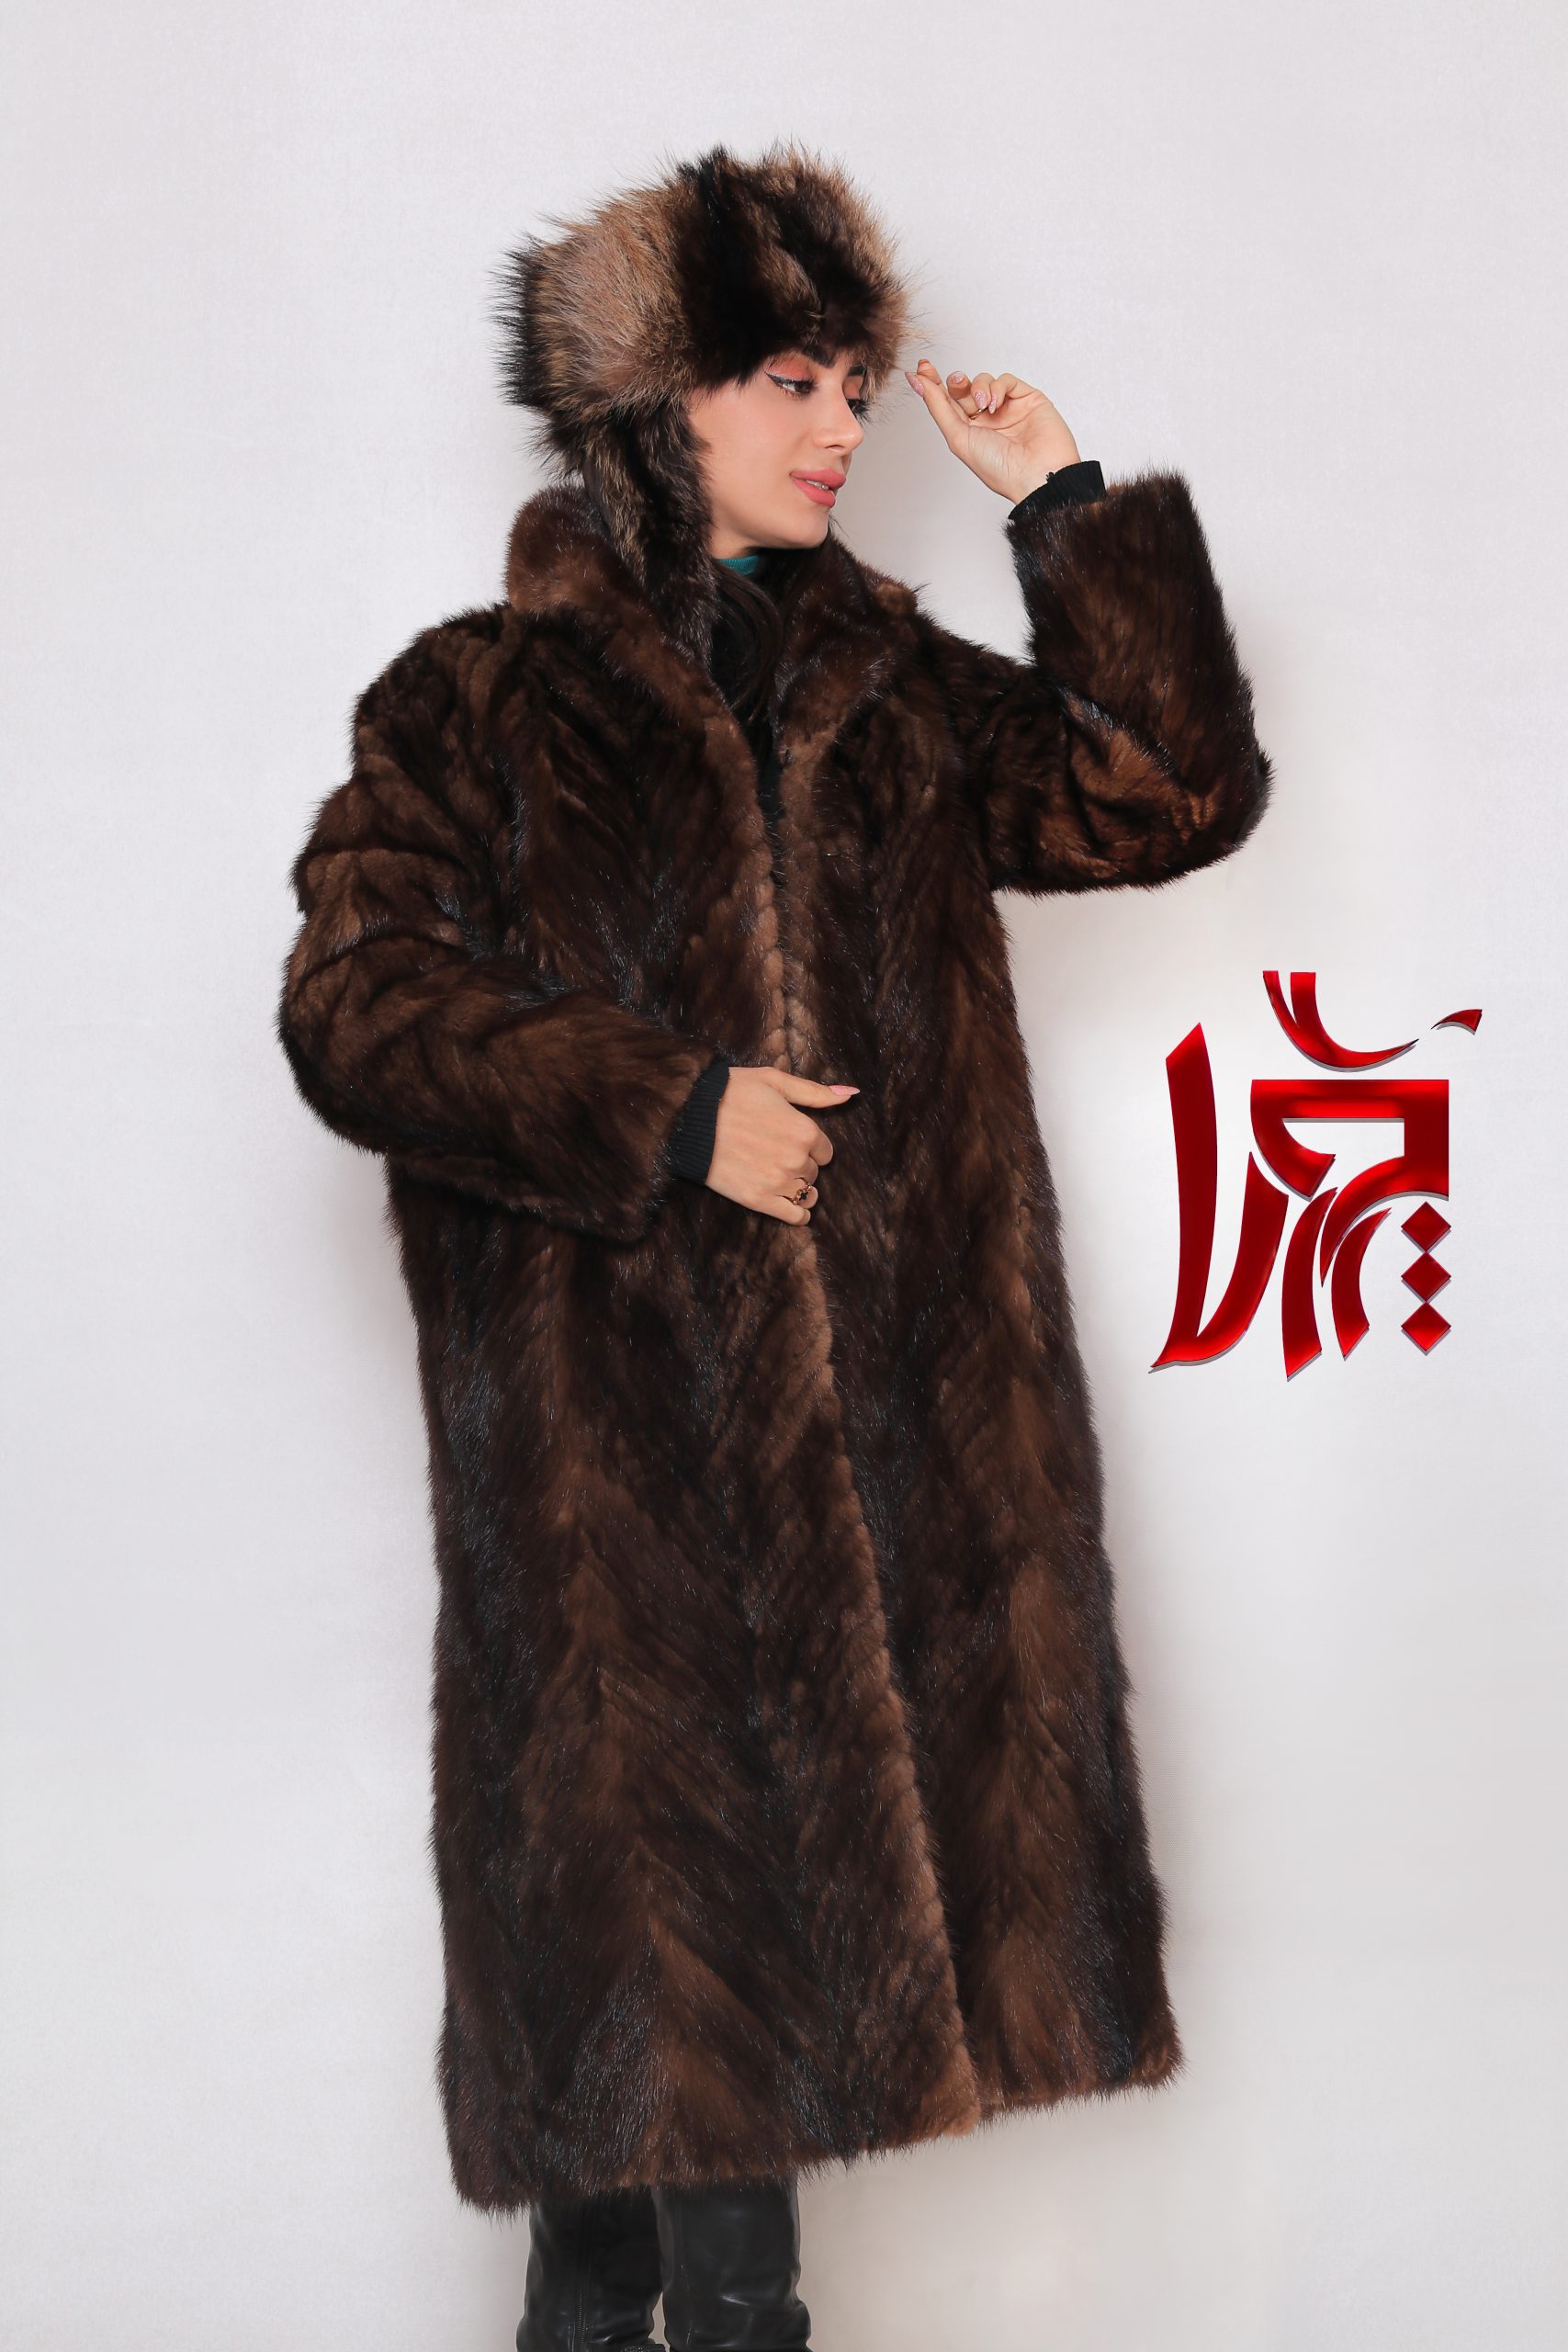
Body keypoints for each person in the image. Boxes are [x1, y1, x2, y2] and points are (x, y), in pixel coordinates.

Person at [276, 141, 1272, 2349]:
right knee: (670, 2076)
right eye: (786, 382)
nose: (838, 428)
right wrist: (665, 1106)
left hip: (902, 1463)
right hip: (621, 1486)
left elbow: (1163, 795)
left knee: (672, 2122)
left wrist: (1062, 506)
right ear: (658, 404)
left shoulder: (891, 688)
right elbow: (354, 1006)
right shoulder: (470, 703)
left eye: (848, 381)